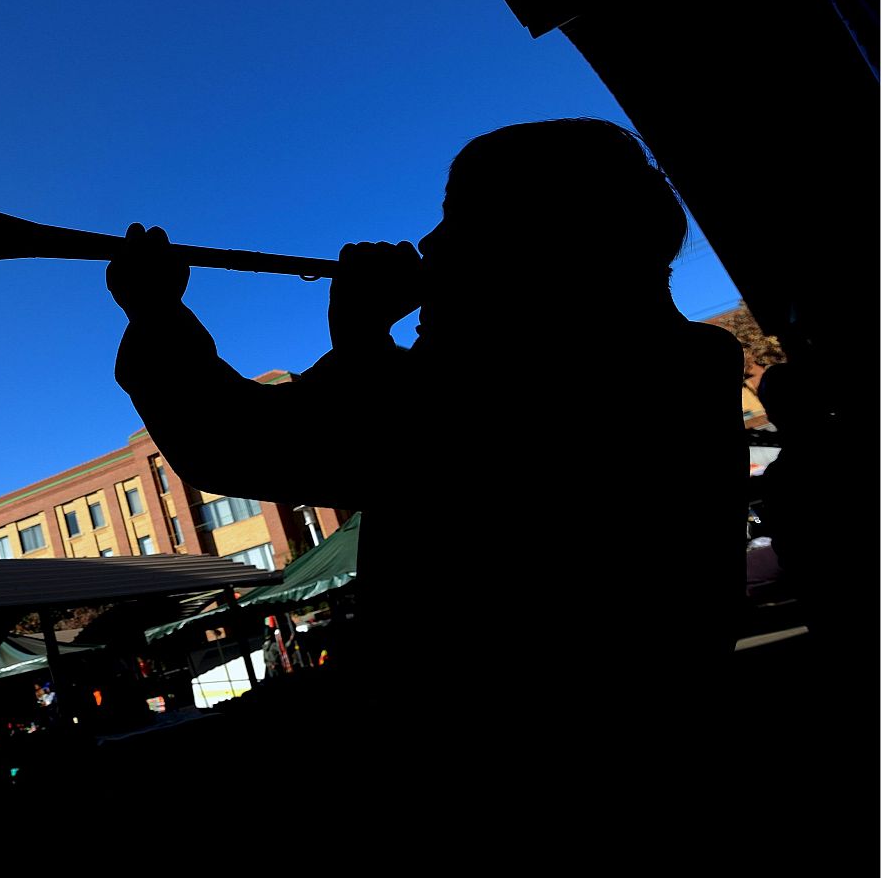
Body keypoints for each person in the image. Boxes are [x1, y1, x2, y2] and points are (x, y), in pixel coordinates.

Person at [107, 119, 745, 826]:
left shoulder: (519, 381)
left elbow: (238, 442)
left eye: (457, 218)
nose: (431, 244)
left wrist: (159, 316)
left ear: (536, 238)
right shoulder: (684, 360)